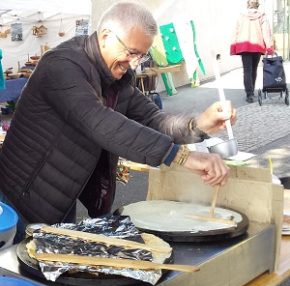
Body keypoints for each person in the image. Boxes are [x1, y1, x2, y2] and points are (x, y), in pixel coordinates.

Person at [0, 2, 236, 241]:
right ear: (105, 37)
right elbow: (100, 122)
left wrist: (199, 124)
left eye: (142, 56)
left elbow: (153, 119)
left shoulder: (117, 80)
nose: (135, 63)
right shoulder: (61, 67)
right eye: (132, 52)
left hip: (60, 197)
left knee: (47, 269)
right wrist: (181, 156)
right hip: (18, 198)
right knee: (17, 273)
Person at [230, 0, 273, 103]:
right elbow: (266, 32)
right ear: (257, 5)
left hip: (244, 46)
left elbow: (236, 31)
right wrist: (269, 47)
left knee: (247, 70)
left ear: (248, 5)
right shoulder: (262, 15)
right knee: (253, 70)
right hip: (257, 46)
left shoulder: (241, 16)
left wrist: (233, 46)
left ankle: (249, 94)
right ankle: (251, 91)